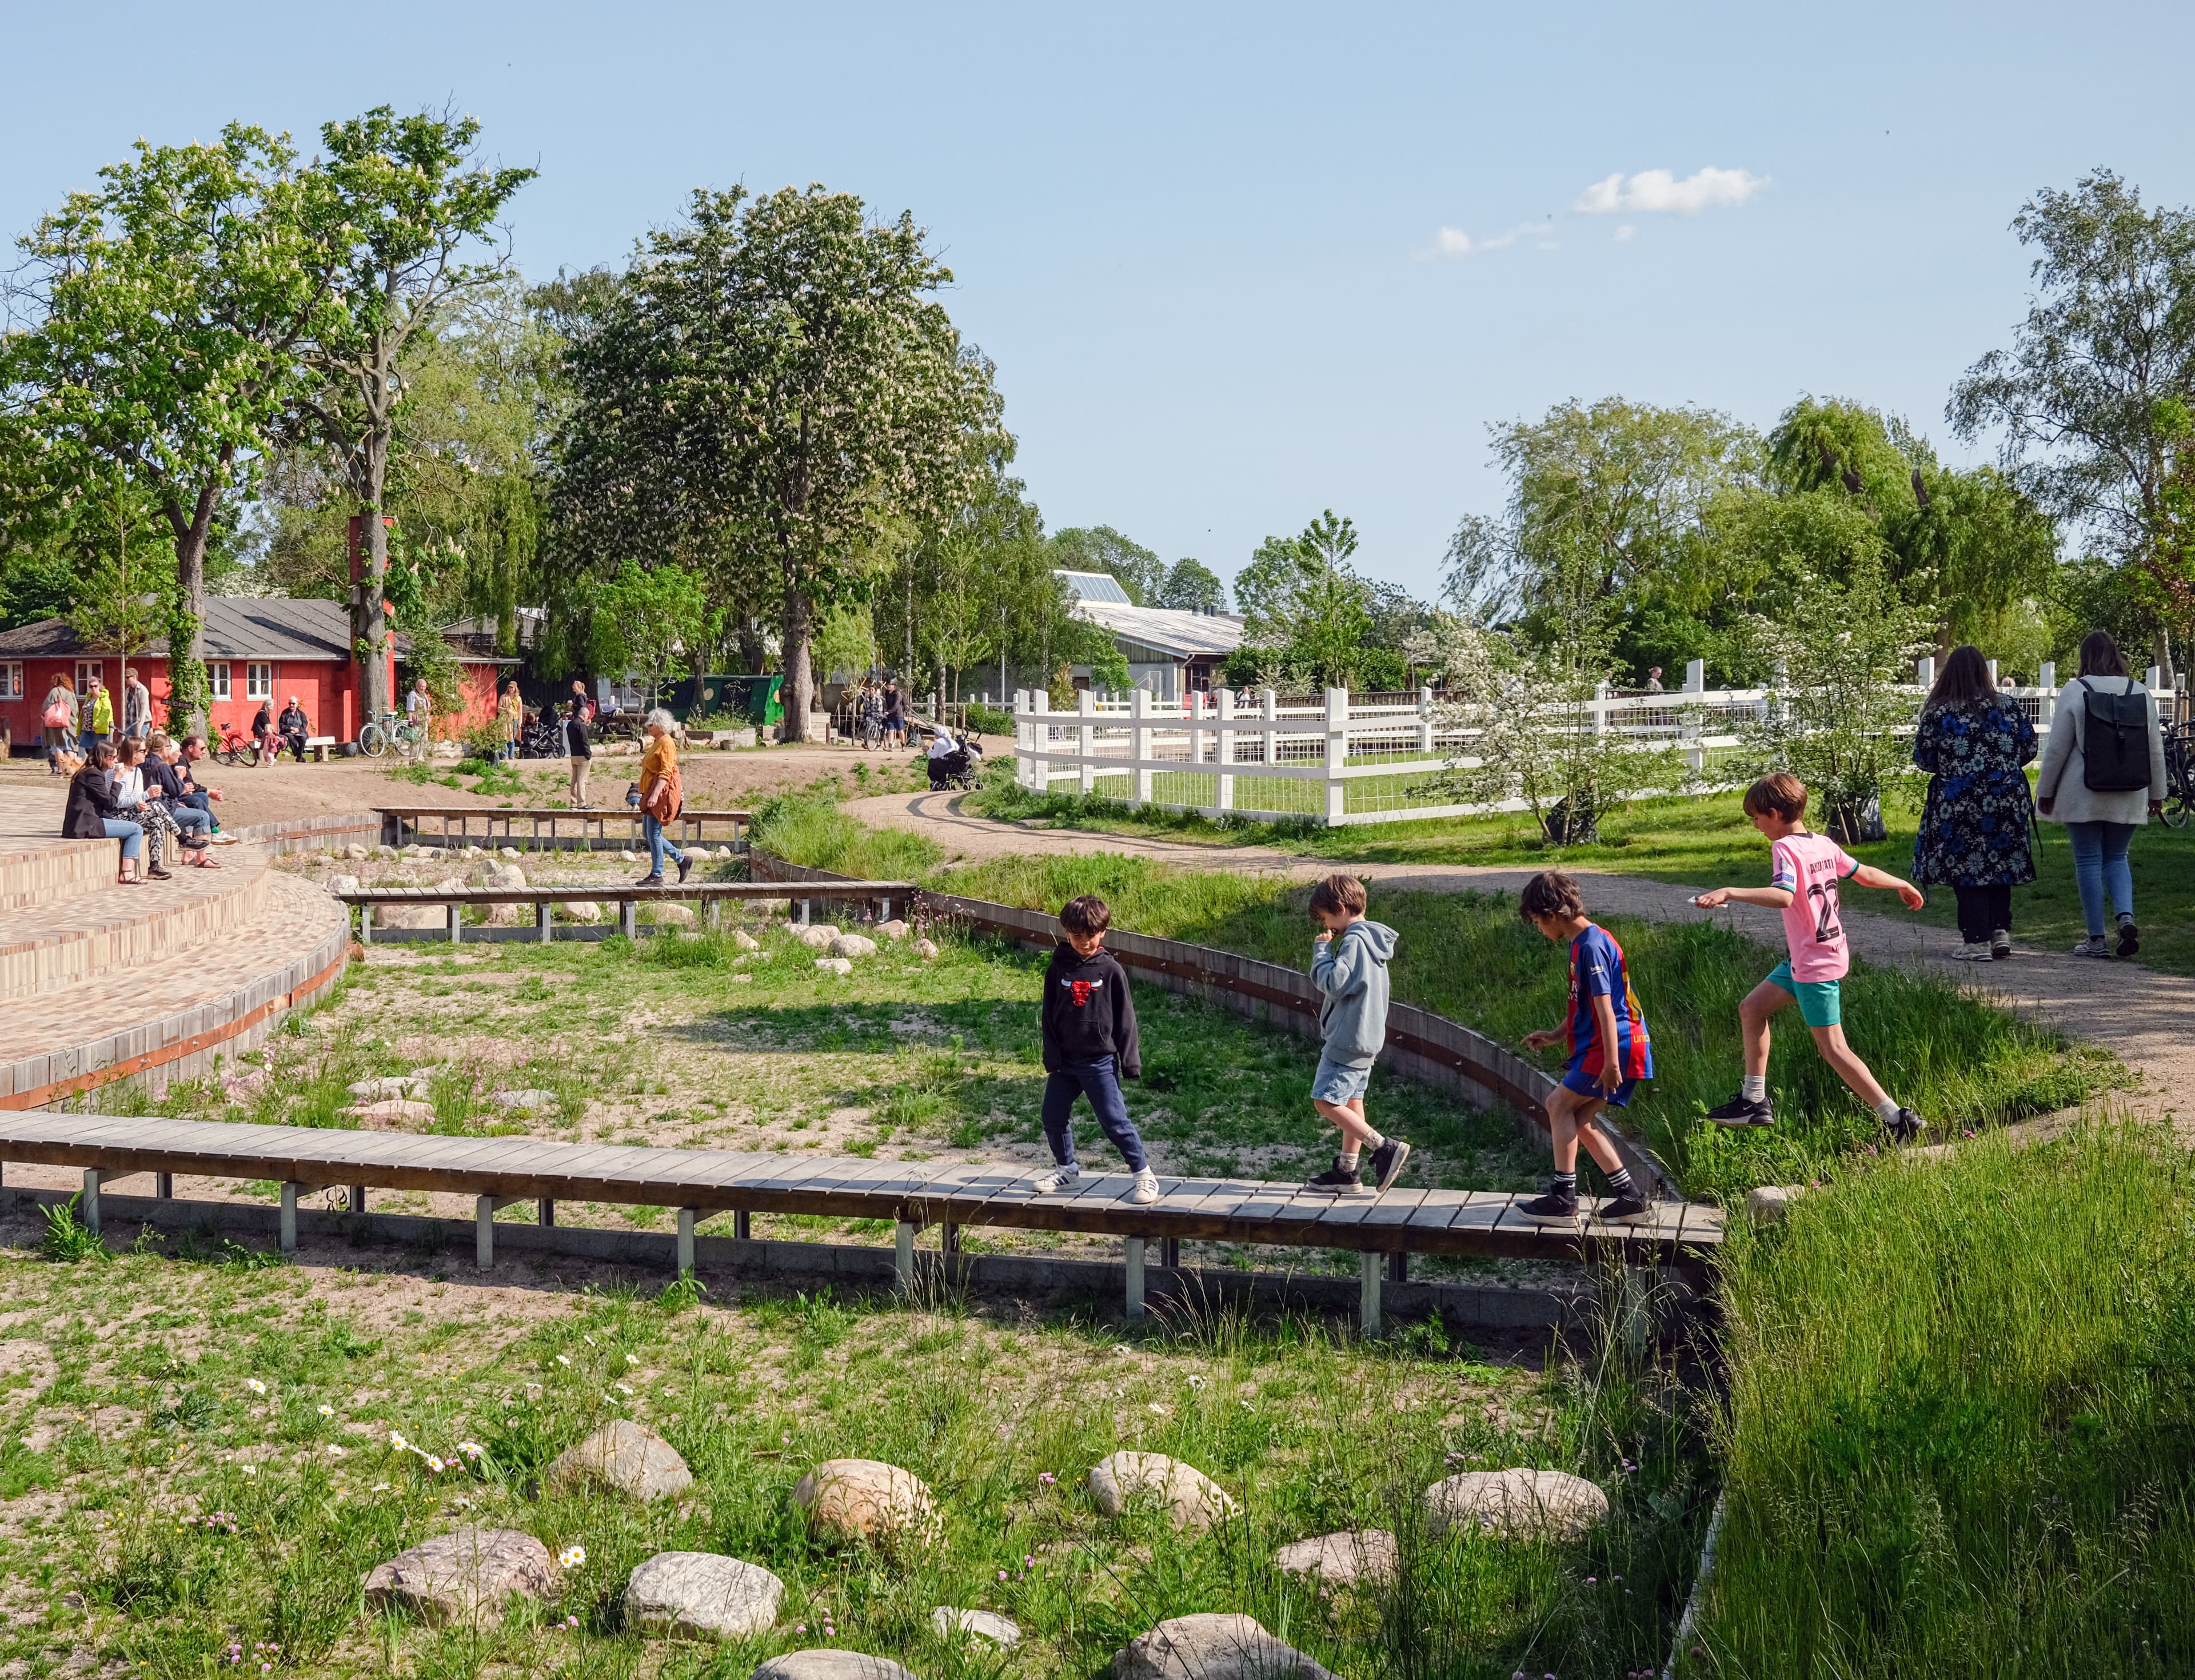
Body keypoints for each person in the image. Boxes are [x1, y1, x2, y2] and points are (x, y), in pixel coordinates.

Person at [1690, 773, 1927, 1142]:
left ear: (1774, 813)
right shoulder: (1822, 843)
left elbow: (1784, 896)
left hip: (1814, 965)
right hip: (1814, 956)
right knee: (1752, 1009)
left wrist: (1730, 892)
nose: (1755, 826)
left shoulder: (1786, 849)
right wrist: (1902, 883)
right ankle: (1754, 1101)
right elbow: (1862, 874)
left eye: (1757, 818)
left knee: (1832, 1047)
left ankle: (1897, 1119)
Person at [1514, 871, 1656, 1224]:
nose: (1539, 929)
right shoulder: (1590, 940)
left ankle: (1564, 1198)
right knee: (1579, 1120)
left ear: (1552, 914)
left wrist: (1610, 1064)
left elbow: (1607, 1008)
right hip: (1624, 1044)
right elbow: (1587, 1005)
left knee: (1556, 1104)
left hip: (1614, 1047)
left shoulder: (1590, 946)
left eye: (1536, 922)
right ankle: (1630, 1197)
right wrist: (1557, 1034)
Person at [2033, 629, 2167, 957]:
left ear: (2085, 657)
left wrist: (2045, 791)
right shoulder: (2141, 692)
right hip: (2131, 787)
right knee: (2118, 857)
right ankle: (2125, 916)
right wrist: (2157, 793)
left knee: (2088, 860)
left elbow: (2057, 750)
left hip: (2083, 790)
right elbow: (2154, 749)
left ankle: (2096, 939)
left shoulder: (2076, 690)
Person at [1030, 895, 1160, 1204]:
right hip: (1065, 1062)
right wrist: (1051, 1055)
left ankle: (1144, 1175)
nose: (1084, 942)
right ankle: (1067, 1171)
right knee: (1052, 1116)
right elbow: (1048, 1014)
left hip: (1099, 1061)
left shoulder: (1111, 971)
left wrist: (1130, 1062)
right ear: (1066, 933)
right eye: (1077, 936)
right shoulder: (1057, 968)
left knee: (1114, 1121)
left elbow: (1126, 1018)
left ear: (1103, 932)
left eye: (1091, 935)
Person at [1910, 644, 2037, 961]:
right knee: (1999, 863)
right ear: (1984, 672)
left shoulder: (1940, 712)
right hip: (2005, 797)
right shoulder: (2009, 707)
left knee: (1967, 866)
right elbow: (2030, 747)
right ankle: (1999, 932)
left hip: (1958, 800)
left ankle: (1975, 940)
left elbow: (1924, 759)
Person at [1302, 873, 1410, 1195]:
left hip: (1348, 1038)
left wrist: (1321, 952)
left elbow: (1334, 982)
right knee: (1352, 1100)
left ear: (1341, 908)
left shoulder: (1353, 941)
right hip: (1368, 1037)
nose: (1327, 926)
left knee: (1324, 1100)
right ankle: (1347, 1172)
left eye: (1326, 917)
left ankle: (1383, 1147)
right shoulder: (1375, 940)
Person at [63, 741, 147, 884]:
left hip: (85, 823)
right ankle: (127, 873)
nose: (116, 761)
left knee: (130, 826)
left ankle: (128, 871)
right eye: (113, 758)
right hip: (85, 825)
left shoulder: (90, 772)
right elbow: (110, 803)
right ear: (104, 757)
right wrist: (117, 780)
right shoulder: (93, 775)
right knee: (136, 829)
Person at [636, 708, 691, 887]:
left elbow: (666, 772)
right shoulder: (658, 741)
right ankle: (681, 859)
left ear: (660, 726)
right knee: (648, 833)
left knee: (654, 833)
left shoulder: (667, 743)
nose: (648, 727)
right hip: (651, 792)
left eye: (651, 724)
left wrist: (655, 794)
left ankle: (657, 874)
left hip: (660, 794)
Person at [110, 737, 179, 879]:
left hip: (131, 813)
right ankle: (182, 838)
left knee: (157, 822)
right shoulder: (119, 772)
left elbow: (136, 798)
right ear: (134, 753)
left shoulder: (137, 772)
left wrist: (140, 803)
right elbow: (118, 802)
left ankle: (154, 866)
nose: (146, 753)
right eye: (143, 751)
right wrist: (146, 795)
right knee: (156, 805)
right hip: (116, 815)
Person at [143, 732, 217, 864]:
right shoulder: (163, 766)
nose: (179, 754)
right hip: (162, 809)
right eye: (176, 750)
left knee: (192, 804)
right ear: (165, 749)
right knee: (202, 816)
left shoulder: (144, 762)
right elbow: (176, 791)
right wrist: (179, 777)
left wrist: (176, 803)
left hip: (151, 807)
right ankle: (201, 858)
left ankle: (188, 852)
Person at [177, 735, 234, 841]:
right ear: (190, 748)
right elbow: (189, 785)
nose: (204, 752)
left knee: (202, 797)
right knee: (196, 800)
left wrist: (209, 792)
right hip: (172, 798)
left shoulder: (182, 761)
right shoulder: (179, 762)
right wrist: (210, 791)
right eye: (202, 749)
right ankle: (215, 831)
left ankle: (197, 836)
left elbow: (190, 785)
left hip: (179, 794)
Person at [41, 674, 77, 775]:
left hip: (57, 723)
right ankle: (72, 769)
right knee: (69, 747)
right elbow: (76, 709)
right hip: (69, 723)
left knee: (58, 746)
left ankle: (61, 769)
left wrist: (44, 715)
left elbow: (46, 705)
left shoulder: (55, 691)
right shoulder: (71, 693)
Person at [565, 698, 593, 808]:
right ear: (585, 715)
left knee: (574, 780)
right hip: (582, 756)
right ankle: (582, 803)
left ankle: (573, 802)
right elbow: (584, 741)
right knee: (582, 780)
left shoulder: (571, 724)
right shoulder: (581, 725)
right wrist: (588, 755)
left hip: (574, 755)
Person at [82, 677, 113, 760]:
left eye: (95, 686)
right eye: (91, 686)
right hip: (87, 728)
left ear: (100, 686)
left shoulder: (104, 698)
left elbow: (106, 713)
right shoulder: (89, 698)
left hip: (99, 729)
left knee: (98, 750)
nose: (93, 688)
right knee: (88, 750)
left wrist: (97, 724)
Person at [405, 676, 433, 761]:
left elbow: (428, 708)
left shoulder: (425, 696)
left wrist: (428, 717)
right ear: (417, 686)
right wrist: (410, 721)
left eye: (424, 687)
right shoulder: (412, 695)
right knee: (415, 742)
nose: (423, 688)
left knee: (424, 740)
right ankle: (413, 760)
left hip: (424, 722)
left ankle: (420, 758)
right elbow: (410, 709)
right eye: (421, 686)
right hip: (416, 722)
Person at [121, 667, 150, 743]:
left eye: (128, 677)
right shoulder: (128, 691)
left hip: (141, 723)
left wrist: (140, 725)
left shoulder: (142, 690)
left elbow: (144, 709)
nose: (126, 680)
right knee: (130, 745)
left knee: (141, 744)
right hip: (129, 723)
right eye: (125, 678)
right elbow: (126, 707)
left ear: (134, 677)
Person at [277, 696, 309, 763]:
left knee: (303, 739)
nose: (291, 705)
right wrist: (291, 729)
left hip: (299, 732)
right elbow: (281, 725)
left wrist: (298, 731)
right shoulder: (285, 713)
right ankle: (300, 757)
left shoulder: (301, 714)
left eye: (293, 704)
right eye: (290, 703)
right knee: (291, 738)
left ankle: (299, 758)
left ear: (297, 704)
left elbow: (305, 724)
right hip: (288, 732)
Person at [498, 680, 524, 763]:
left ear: (515, 688)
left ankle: (511, 755)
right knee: (505, 737)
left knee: (512, 738)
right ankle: (505, 755)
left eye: (512, 687)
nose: (511, 689)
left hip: (515, 719)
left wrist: (520, 721)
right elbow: (499, 708)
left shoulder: (518, 698)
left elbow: (520, 710)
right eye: (509, 687)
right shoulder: (504, 697)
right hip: (506, 719)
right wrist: (506, 710)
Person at [252, 697, 274, 764]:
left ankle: (272, 756)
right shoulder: (262, 714)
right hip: (259, 733)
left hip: (262, 732)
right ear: (266, 706)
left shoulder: (265, 714)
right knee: (273, 738)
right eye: (271, 707)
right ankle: (270, 756)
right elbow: (268, 724)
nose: (272, 709)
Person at [883, 679, 904, 749]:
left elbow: (896, 705)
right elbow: (887, 703)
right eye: (888, 685)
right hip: (891, 715)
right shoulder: (887, 693)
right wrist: (887, 711)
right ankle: (890, 747)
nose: (888, 686)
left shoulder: (898, 694)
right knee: (891, 730)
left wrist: (888, 712)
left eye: (890, 685)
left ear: (894, 686)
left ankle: (903, 746)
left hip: (898, 715)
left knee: (900, 730)